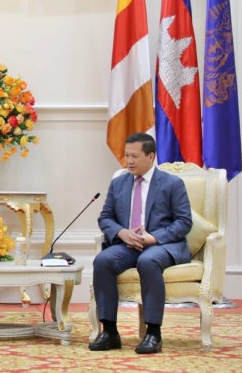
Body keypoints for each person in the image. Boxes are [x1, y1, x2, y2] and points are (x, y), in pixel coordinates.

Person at [91, 133, 192, 354]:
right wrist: (122, 233)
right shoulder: (118, 183)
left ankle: (153, 333)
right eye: (127, 155)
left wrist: (153, 238)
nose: (129, 161)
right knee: (103, 261)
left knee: (148, 261)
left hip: (160, 245)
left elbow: (184, 222)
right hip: (128, 245)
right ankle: (110, 332)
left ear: (151, 156)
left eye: (135, 156)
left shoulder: (172, 184)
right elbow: (105, 218)